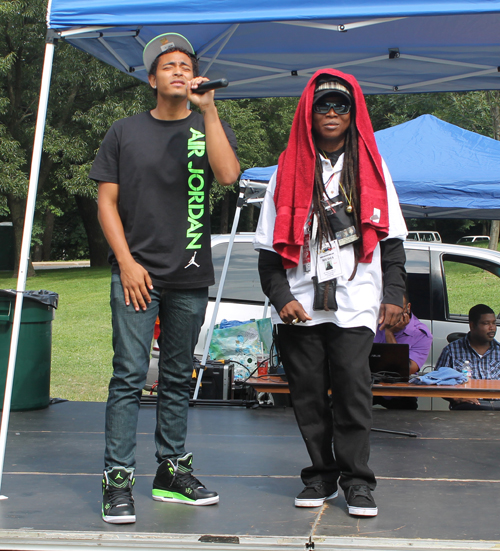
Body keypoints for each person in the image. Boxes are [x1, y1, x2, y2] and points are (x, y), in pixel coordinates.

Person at [89, 33, 240, 524]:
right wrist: (127, 262)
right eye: (168, 65)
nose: (178, 70)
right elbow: (106, 203)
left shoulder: (206, 125)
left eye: (186, 65)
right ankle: (117, 478)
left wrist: (210, 110)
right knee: (129, 375)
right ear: (152, 78)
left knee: (177, 378)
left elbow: (228, 176)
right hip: (136, 274)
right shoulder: (124, 132)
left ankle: (171, 471)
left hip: (190, 275)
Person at [254, 70, 407, 517]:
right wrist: (281, 296)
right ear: (309, 112)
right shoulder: (287, 169)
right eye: (324, 105)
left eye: (341, 105)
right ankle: (320, 474)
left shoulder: (373, 170)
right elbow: (266, 247)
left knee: (352, 392)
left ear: (353, 113)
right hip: (300, 301)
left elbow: (393, 241)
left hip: (355, 300)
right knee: (305, 393)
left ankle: (357, 480)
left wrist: (393, 293)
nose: (333, 113)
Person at [372, 291, 432, 409]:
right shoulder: (372, 324)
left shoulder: (420, 334)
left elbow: (404, 370)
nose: (390, 315)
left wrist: (389, 333)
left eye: (395, 310)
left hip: (400, 393)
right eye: (385, 310)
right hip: (370, 387)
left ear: (407, 308)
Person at [436, 304, 499, 410]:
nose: (492, 328)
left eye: (494, 323)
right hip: (468, 405)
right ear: (472, 326)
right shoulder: (452, 350)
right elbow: (437, 382)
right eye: (486, 323)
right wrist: (458, 398)